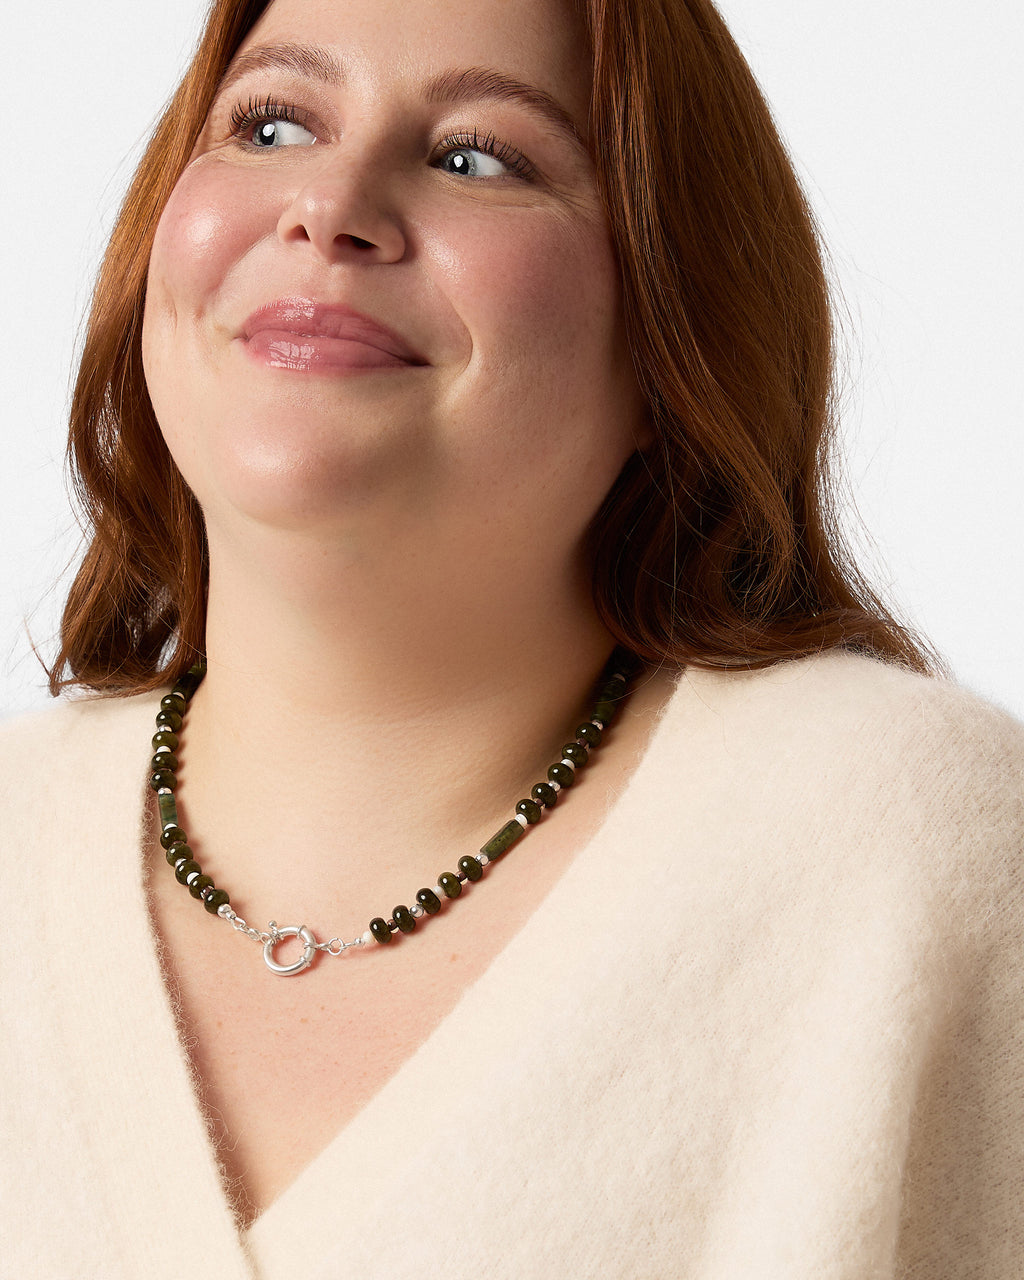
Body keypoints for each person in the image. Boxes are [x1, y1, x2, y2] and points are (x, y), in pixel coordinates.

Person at [1, 0, 1021, 1275]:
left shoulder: (906, 853)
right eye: (270, 122)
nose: (327, 203)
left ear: (668, 335)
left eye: (476, 155)